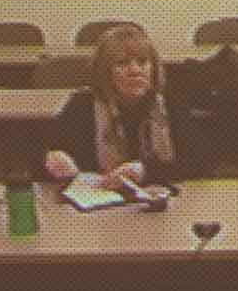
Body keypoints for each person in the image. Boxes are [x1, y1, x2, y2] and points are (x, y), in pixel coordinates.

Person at [43, 24, 203, 188]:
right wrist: (54, 159)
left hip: (159, 201)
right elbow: (43, 154)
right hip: (99, 202)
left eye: (142, 62)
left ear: (153, 68)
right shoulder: (82, 105)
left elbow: (197, 162)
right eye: (122, 63)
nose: (135, 70)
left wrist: (145, 171)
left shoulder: (170, 102)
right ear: (105, 71)